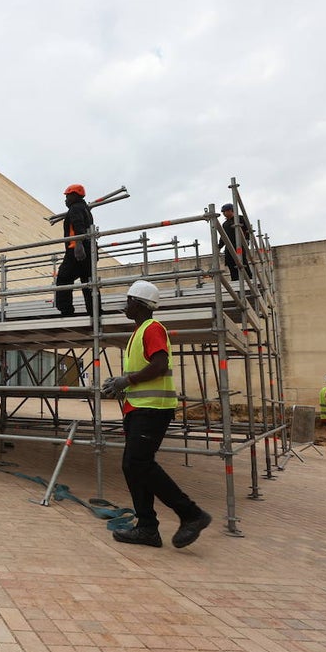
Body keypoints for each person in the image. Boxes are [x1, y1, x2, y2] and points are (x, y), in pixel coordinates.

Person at [102, 280, 212, 549]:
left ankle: (191, 514)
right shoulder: (140, 332)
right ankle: (147, 527)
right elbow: (145, 368)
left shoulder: (152, 329)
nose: (125, 305)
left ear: (138, 304)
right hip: (140, 408)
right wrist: (122, 382)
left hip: (152, 409)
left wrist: (127, 381)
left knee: (139, 463)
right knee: (132, 465)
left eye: (128, 300)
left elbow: (159, 365)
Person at [54, 184, 96, 318]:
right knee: (89, 283)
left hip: (76, 251)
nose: (65, 200)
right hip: (89, 251)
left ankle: (66, 311)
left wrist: (78, 245)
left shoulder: (75, 209)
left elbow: (79, 227)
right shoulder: (86, 209)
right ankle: (95, 311)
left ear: (74, 196)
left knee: (63, 278)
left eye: (67, 196)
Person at [217, 203, 254, 281]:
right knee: (230, 262)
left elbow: (247, 230)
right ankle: (235, 279)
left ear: (231, 210)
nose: (224, 213)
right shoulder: (225, 224)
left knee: (242, 261)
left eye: (225, 211)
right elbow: (223, 237)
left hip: (239, 245)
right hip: (229, 246)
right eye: (223, 212)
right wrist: (219, 246)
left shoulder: (240, 219)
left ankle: (249, 278)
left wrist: (246, 241)